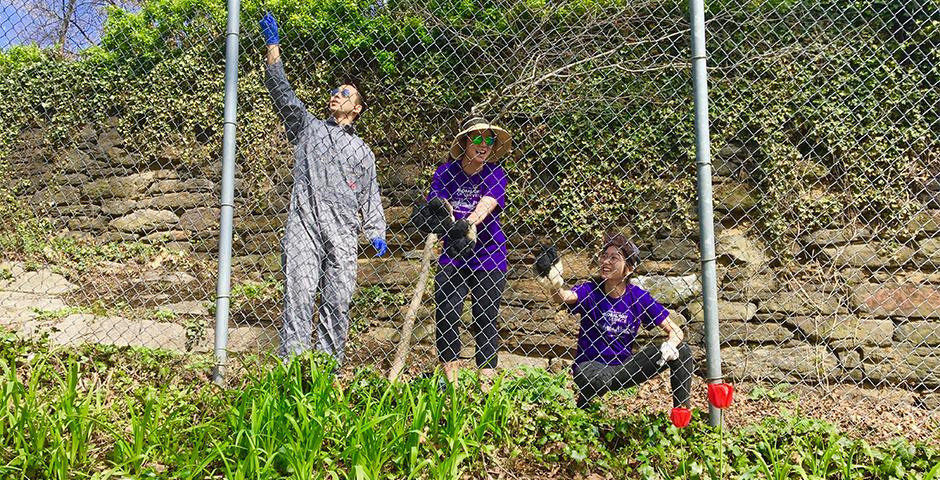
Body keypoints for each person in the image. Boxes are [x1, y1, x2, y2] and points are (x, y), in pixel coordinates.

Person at [260, 13, 387, 366]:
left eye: (345, 92)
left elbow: (370, 194)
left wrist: (376, 230)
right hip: (305, 226)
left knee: (337, 300)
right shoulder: (307, 129)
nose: (336, 94)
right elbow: (282, 94)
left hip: (344, 236)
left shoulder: (363, 152)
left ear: (357, 108)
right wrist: (274, 48)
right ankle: (293, 368)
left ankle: (327, 372)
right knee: (299, 295)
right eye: (334, 90)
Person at [534, 233, 693, 409]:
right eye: (604, 256)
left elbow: (676, 330)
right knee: (596, 378)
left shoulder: (638, 297)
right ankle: (584, 410)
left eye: (614, 258)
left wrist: (670, 345)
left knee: (683, 351)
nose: (606, 261)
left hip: (623, 369)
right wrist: (554, 281)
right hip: (590, 367)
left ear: (629, 268)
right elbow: (563, 297)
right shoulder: (590, 290)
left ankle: (682, 415)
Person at [423, 116, 512, 385]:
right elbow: (440, 205)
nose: (484, 145)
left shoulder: (496, 173)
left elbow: (488, 203)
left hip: (489, 255)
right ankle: (451, 380)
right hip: (454, 253)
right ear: (464, 142)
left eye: (489, 140)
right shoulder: (446, 172)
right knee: (448, 313)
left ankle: (486, 381)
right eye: (477, 138)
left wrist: (469, 223)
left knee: (485, 316)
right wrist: (448, 221)